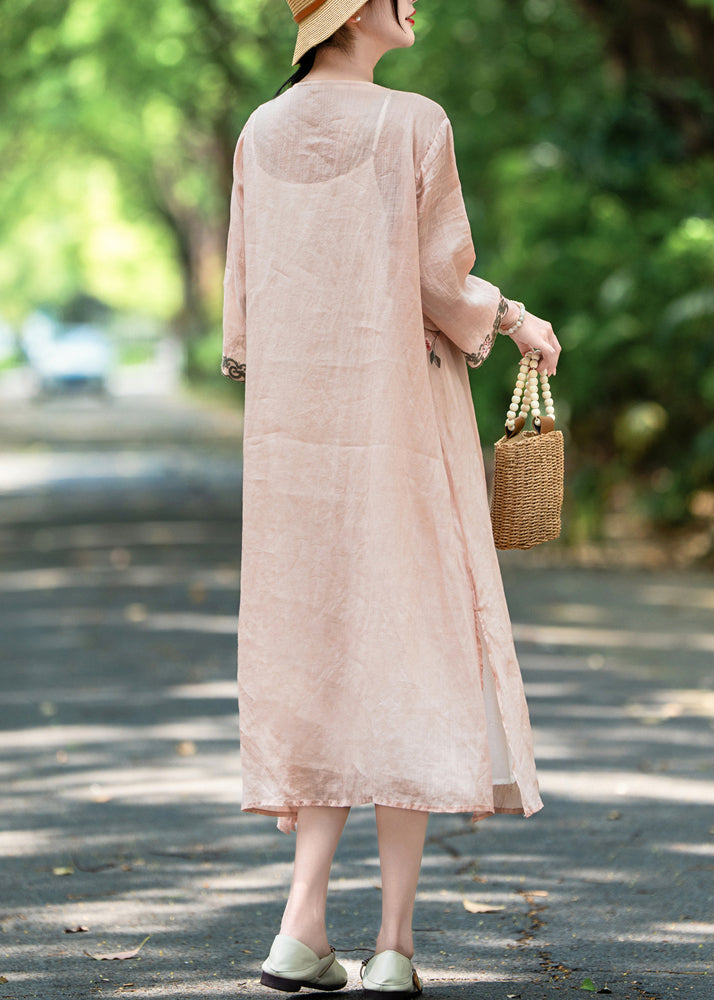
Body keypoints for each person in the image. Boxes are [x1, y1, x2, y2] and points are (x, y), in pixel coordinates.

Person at [221, 1, 561, 995]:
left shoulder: (258, 132)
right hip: (401, 421)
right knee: (407, 651)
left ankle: (300, 927)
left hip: (294, 445)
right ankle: (395, 948)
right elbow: (441, 282)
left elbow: (245, 309)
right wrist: (516, 316)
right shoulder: (414, 121)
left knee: (321, 659)